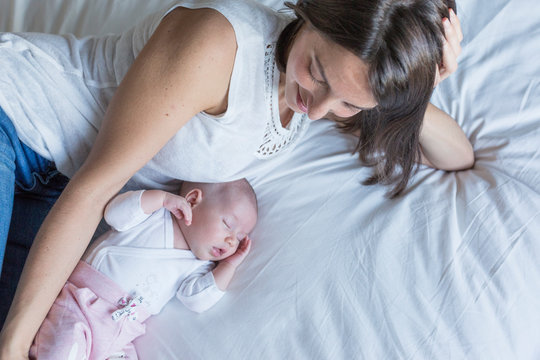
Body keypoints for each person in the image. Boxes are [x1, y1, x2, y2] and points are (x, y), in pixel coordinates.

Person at [0, 0, 472, 358]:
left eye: (349, 104)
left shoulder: (338, 83)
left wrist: (416, 87)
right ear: (313, 12)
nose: (321, 108)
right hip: (18, 117)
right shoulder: (218, 45)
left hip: (60, 201)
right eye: (317, 73)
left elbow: (456, 156)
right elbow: (94, 188)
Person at [29, 178, 258, 359]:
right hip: (81, 305)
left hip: (121, 336)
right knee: (63, 349)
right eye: (228, 225)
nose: (231, 241)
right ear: (192, 199)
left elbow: (197, 300)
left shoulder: (199, 266)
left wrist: (228, 265)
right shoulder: (156, 214)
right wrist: (159, 199)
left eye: (239, 238)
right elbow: (114, 214)